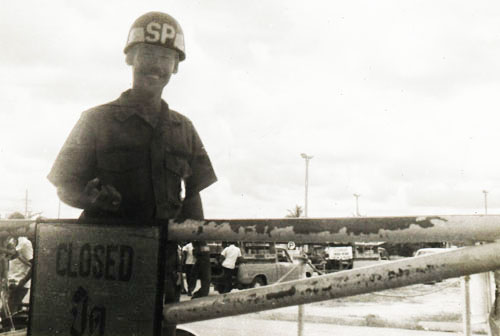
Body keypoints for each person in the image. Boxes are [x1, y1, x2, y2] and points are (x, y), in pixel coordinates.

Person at [47, 11, 217, 336]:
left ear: (176, 66)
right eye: (148, 53)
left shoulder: (185, 129)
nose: (156, 65)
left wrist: (203, 255)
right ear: (131, 58)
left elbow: (192, 195)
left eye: (166, 57)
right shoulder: (95, 121)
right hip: (102, 266)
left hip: (161, 268)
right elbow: (64, 184)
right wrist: (87, 197)